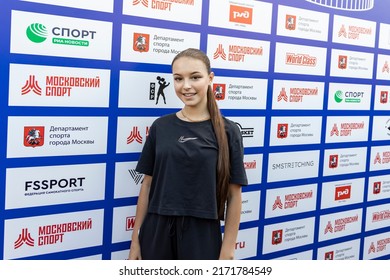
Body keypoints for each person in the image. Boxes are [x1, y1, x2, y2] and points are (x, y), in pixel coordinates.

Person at [128, 48, 248, 260]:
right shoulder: (161, 126)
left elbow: (234, 195)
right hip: (155, 231)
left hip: (202, 233)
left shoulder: (228, 131)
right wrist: (136, 240)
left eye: (195, 77)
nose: (186, 86)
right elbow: (147, 186)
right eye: (178, 78)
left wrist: (227, 251)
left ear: (210, 79)